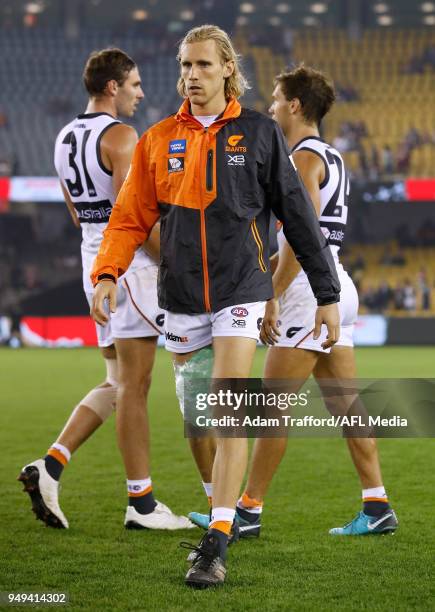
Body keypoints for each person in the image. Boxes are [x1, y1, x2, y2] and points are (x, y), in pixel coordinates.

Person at [90, 26, 340, 588]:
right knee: (198, 418)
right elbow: (129, 217)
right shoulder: (157, 140)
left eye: (203, 64)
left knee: (227, 409)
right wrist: (106, 272)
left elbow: (299, 218)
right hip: (180, 299)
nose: (192, 74)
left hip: (241, 292)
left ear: (228, 67)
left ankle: (218, 539)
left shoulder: (257, 133)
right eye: (185, 64)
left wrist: (326, 294)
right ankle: (218, 501)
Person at [191, 66, 397, 538]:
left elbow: (303, 241)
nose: (271, 107)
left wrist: (270, 294)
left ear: (297, 106)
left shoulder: (302, 160)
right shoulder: (333, 156)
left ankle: (246, 512)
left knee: (269, 410)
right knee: (348, 407)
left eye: (278, 99)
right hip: (338, 285)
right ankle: (377, 504)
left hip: (309, 292)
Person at [18, 48, 192, 532]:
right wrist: (176, 264)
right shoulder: (121, 135)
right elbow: (131, 214)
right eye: (134, 84)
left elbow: (78, 212)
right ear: (113, 86)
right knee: (136, 386)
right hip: (128, 267)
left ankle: (50, 465)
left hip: (90, 262)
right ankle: (141, 503)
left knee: (118, 383)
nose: (140, 92)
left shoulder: (64, 136)